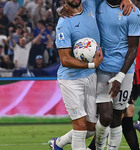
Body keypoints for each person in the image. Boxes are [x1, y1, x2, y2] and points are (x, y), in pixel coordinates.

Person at [48, 0, 104, 149]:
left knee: (91, 128)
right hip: (71, 79)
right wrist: (91, 64)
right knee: (79, 124)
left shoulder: (90, 4)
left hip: (91, 76)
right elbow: (65, 59)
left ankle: (58, 143)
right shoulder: (64, 23)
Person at [94, 0, 140, 149]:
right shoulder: (97, 5)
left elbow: (133, 48)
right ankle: (99, 146)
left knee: (117, 117)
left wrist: (120, 76)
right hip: (103, 69)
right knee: (106, 116)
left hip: (125, 71)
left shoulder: (133, 12)